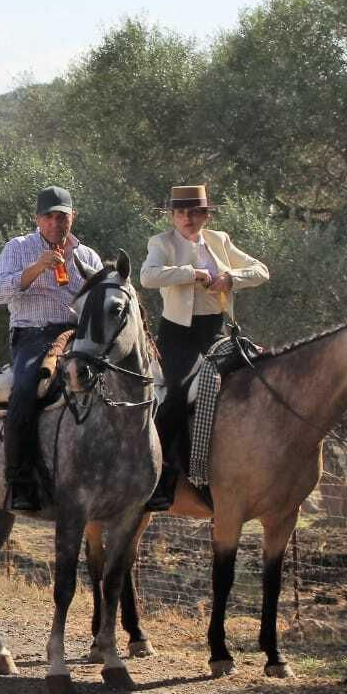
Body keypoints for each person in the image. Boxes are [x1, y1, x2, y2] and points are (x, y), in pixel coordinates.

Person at [139, 184, 270, 510]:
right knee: (181, 392)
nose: (188, 218)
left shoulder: (219, 240)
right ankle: (157, 473)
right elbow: (147, 276)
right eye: (181, 212)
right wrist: (191, 273)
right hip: (177, 336)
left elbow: (261, 271)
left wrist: (231, 278)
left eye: (195, 212)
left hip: (217, 333)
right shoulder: (161, 242)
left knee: (263, 377)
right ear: (172, 216)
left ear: (205, 215)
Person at [0, 185, 104, 513]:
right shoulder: (18, 248)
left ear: (73, 217)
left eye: (63, 216)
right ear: (38, 219)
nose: (56, 222)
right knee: (25, 390)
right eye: (49, 216)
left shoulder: (88, 256)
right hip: (33, 334)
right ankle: (19, 479)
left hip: (79, 336)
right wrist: (38, 267)